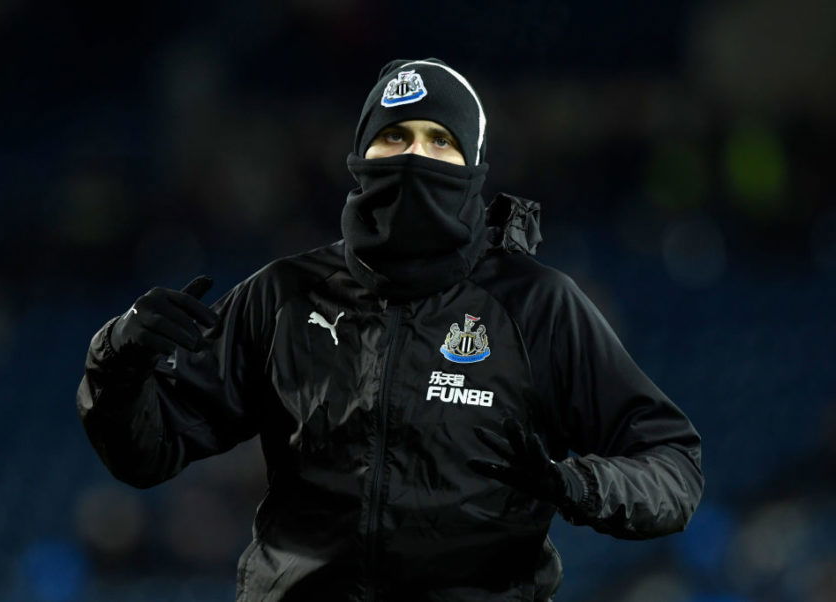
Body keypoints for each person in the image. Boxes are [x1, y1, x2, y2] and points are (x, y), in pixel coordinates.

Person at [77, 58, 703, 601]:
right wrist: (118, 362)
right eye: (395, 136)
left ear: (474, 164)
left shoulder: (535, 305)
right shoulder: (286, 295)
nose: (414, 158)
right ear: (360, 156)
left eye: (439, 141)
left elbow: (673, 467)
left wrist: (575, 484)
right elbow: (147, 455)